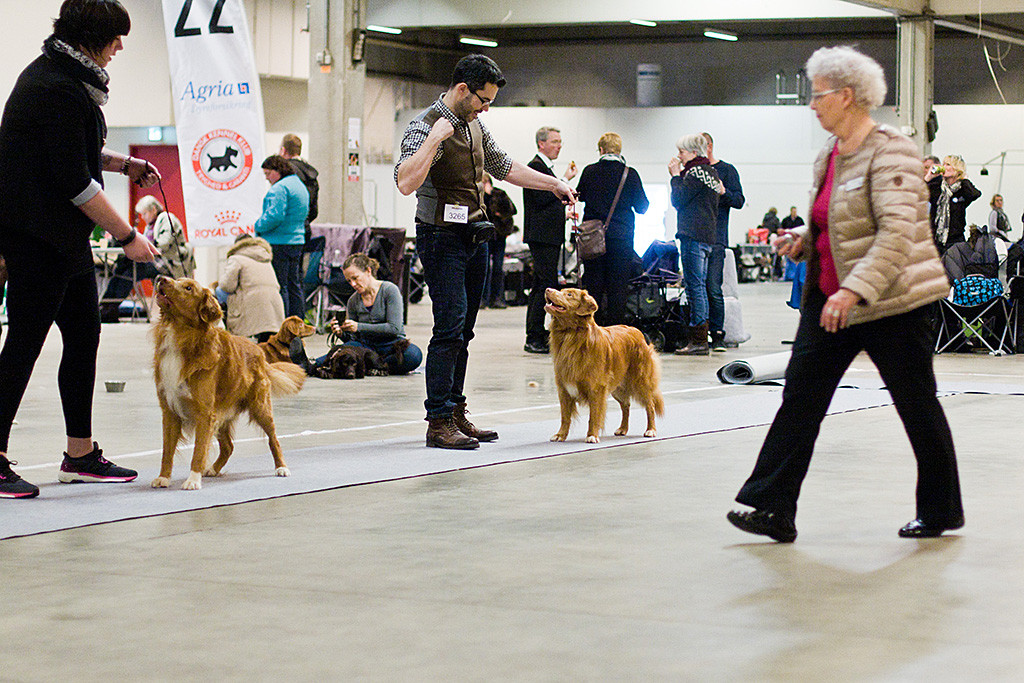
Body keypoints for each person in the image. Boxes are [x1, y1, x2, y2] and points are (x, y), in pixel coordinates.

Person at [727, 46, 964, 543]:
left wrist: (854, 289)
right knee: (800, 400)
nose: (811, 106)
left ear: (847, 97)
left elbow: (897, 232)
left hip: (893, 303)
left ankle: (940, 510)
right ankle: (772, 508)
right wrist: (803, 243)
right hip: (829, 299)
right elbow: (835, 224)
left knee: (916, 404)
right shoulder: (828, 154)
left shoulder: (892, 149)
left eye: (818, 96)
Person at [0, 0, 161, 499]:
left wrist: (125, 164)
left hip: (61, 240)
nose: (120, 47)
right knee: (23, 345)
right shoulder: (56, 88)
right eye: (115, 37)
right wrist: (128, 236)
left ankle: (79, 452)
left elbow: (78, 153)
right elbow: (75, 180)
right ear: (92, 37)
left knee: (84, 336)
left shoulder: (65, 78)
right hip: (35, 237)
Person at [395, 54, 575, 450]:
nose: (486, 107)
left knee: (465, 329)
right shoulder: (423, 126)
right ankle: (438, 420)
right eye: (483, 99)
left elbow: (505, 165)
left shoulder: (476, 124)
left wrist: (554, 183)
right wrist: (435, 139)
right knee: (448, 327)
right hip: (439, 236)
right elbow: (406, 181)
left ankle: (456, 411)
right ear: (462, 89)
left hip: (473, 235)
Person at [296, 253, 423, 376]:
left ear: (368, 271)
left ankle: (372, 365)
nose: (353, 284)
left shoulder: (389, 290)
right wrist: (342, 333)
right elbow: (354, 339)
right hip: (364, 347)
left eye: (355, 278)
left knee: (413, 355)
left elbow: (394, 328)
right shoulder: (353, 300)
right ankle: (311, 364)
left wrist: (359, 326)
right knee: (341, 352)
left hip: (391, 345)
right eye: (349, 281)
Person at [575, 132, 649, 327]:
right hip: (621, 238)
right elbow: (643, 207)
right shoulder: (629, 174)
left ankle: (593, 331)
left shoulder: (589, 171)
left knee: (593, 286)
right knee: (618, 287)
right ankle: (615, 333)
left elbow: (579, 196)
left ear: (600, 150)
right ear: (619, 150)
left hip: (593, 238)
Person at [523, 126, 576, 353]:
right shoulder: (536, 167)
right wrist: (563, 180)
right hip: (542, 236)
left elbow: (547, 205)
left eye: (560, 141)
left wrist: (564, 212)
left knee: (541, 283)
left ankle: (536, 332)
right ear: (541, 144)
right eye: (554, 141)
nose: (559, 145)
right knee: (545, 284)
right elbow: (543, 197)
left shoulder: (546, 168)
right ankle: (534, 336)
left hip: (548, 235)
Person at [100, 195, 194, 322]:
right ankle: (107, 305)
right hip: (155, 261)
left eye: (144, 213)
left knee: (132, 269)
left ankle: (110, 307)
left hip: (168, 264)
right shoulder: (150, 225)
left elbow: (164, 243)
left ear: (153, 210)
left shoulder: (166, 218)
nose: (142, 217)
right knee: (124, 266)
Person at [669, 133, 723, 355]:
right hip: (708, 235)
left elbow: (678, 199)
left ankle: (698, 340)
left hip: (692, 233)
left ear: (693, 152)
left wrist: (674, 176)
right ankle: (702, 337)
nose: (679, 156)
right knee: (700, 286)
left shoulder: (694, 172)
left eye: (682, 151)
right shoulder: (711, 172)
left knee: (695, 287)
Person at [702, 132, 745, 352]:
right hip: (695, 237)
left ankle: (717, 334)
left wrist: (723, 191)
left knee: (713, 287)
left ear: (709, 146)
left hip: (717, 239)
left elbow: (739, 200)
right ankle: (698, 335)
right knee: (695, 288)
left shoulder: (727, 170)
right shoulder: (693, 173)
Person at [255, 154, 309, 319]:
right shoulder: (299, 186)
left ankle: (282, 324)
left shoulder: (279, 189)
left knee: (281, 286)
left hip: (278, 242)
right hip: (297, 241)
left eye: (268, 174)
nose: (267, 179)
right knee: (294, 285)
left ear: (277, 171)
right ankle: (298, 322)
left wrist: (257, 226)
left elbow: (275, 216)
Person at [217, 233, 285, 341]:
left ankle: (223, 323)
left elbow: (227, 286)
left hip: (251, 307)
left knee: (219, 291)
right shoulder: (266, 258)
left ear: (237, 246)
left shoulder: (236, 258)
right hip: (274, 308)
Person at [481, 172, 517, 309]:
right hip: (484, 236)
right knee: (484, 268)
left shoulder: (500, 194)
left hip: (499, 236)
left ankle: (497, 298)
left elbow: (512, 210)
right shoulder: (478, 196)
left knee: (498, 268)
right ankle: (483, 299)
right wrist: (485, 195)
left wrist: (491, 196)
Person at [932, 154, 981, 254]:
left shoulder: (962, 189)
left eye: (948, 164)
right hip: (936, 242)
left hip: (955, 241)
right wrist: (928, 177)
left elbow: (975, 194)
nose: (944, 167)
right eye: (943, 164)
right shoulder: (937, 188)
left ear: (956, 168)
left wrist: (965, 180)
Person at [279, 133, 319, 244]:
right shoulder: (311, 172)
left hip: (287, 234)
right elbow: (314, 211)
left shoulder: (285, 171)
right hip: (305, 230)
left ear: (283, 150)